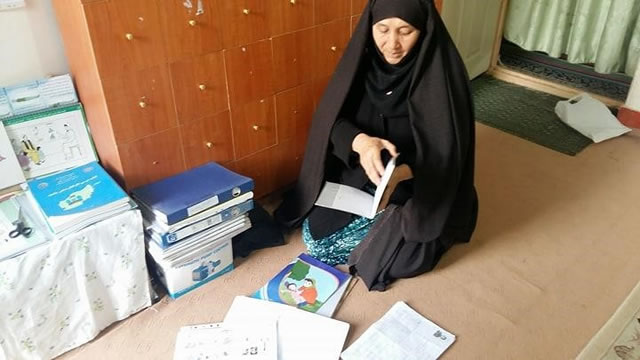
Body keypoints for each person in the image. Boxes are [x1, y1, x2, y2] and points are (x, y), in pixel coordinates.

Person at [275, 0, 478, 291]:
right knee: (318, 241)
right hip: (364, 174)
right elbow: (331, 121)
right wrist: (360, 142)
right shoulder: (363, 62)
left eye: (405, 31)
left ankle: (396, 221)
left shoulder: (442, 76)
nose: (391, 43)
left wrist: (402, 173)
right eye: (382, 29)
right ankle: (383, 222)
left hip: (420, 182)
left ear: (423, 30)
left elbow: (447, 153)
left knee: (406, 257)